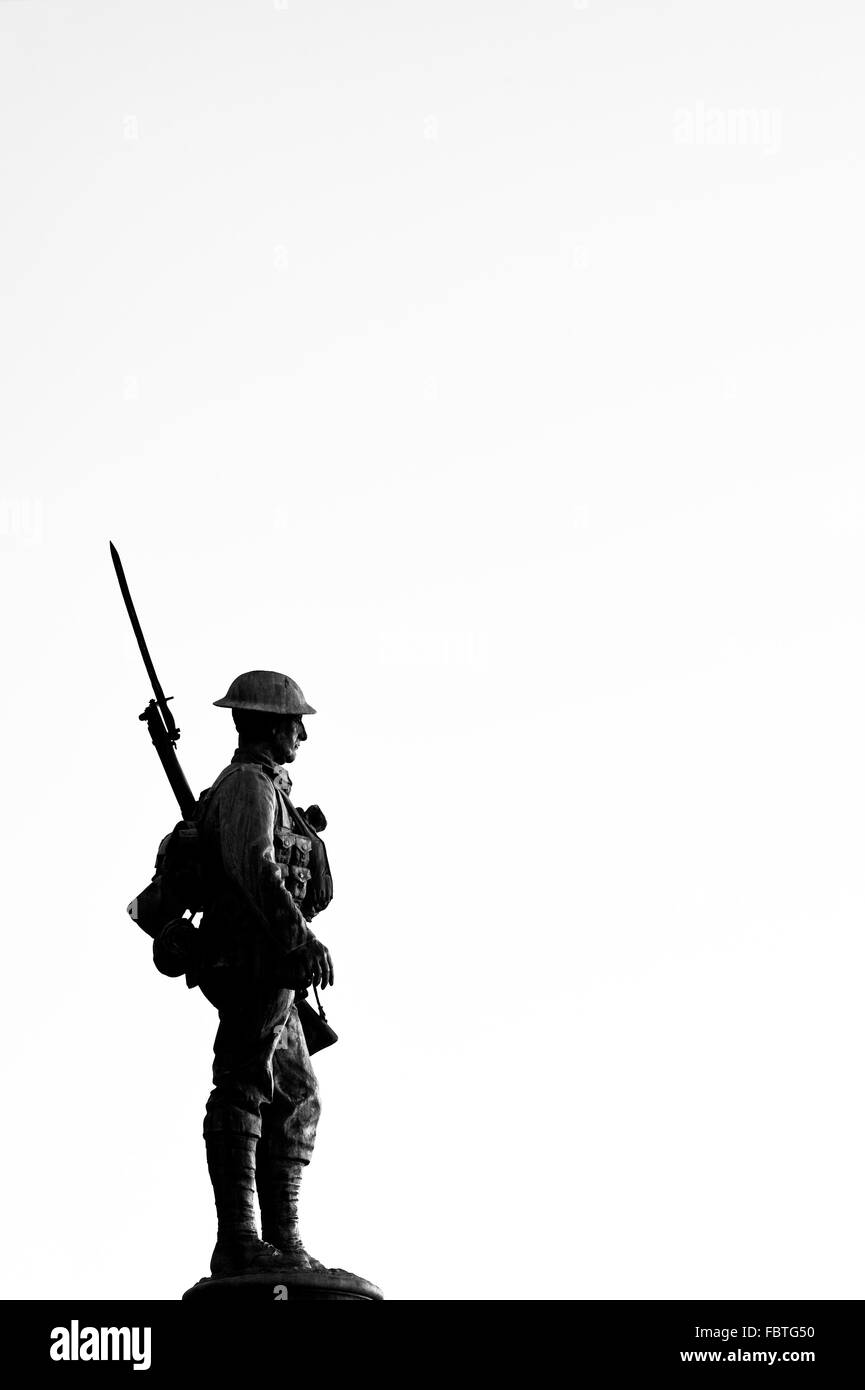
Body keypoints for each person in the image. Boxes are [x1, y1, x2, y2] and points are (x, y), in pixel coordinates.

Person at [195, 670, 334, 1277]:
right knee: (245, 1085)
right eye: (293, 723)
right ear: (270, 726)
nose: (301, 733)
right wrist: (299, 938)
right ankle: (241, 1241)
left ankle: (283, 1240)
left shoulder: (275, 788)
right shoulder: (248, 786)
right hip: (254, 961)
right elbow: (254, 865)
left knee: (297, 1095)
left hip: (274, 966)